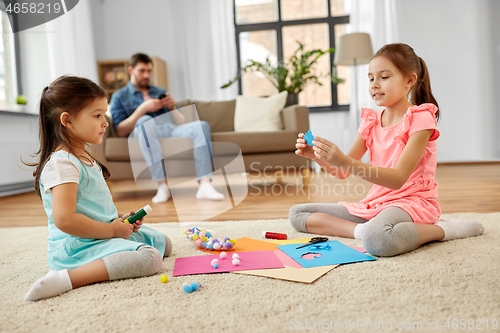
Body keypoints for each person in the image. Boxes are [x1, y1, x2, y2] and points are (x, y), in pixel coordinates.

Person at [290, 43, 484, 257]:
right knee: (298, 213)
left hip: (412, 202)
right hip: (377, 203)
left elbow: (398, 179)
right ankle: (364, 230)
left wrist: (343, 160)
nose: (375, 84)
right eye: (371, 78)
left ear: (409, 80)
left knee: (379, 241)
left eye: (384, 77)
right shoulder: (370, 122)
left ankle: (445, 229)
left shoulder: (421, 119)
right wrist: (316, 156)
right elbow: (342, 172)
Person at [24, 76, 172, 302]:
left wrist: (120, 220)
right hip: (77, 246)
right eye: (97, 115)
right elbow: (65, 220)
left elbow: (93, 207)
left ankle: (113, 248)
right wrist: (113, 231)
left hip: (98, 234)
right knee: (150, 258)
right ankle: (67, 278)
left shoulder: (84, 158)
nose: (105, 122)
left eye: (104, 114)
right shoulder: (63, 163)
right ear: (67, 120)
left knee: (164, 243)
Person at [109, 53, 224, 203]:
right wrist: (143, 109)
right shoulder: (119, 96)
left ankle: (205, 185)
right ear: (131, 70)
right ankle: (162, 186)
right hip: (144, 131)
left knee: (201, 126)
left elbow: (181, 122)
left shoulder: (159, 91)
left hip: (169, 129)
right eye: (142, 71)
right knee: (145, 121)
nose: (146, 75)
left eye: (149, 71)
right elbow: (120, 131)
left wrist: (172, 107)